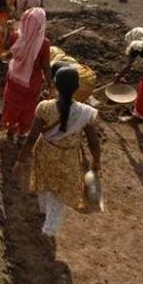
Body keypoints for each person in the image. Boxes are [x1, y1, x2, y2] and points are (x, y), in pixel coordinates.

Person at [13, 67, 101, 237]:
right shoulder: (86, 112)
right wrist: (96, 160)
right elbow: (93, 141)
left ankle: (45, 210)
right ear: (77, 87)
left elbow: (31, 138)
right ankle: (50, 229)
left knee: (44, 183)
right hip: (68, 158)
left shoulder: (44, 107)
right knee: (59, 192)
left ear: (55, 85)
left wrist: (20, 160)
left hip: (45, 154)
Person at [0, 7, 52, 139]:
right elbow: (46, 66)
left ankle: (10, 131)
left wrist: (8, 31)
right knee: (28, 109)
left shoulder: (16, 36)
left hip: (14, 78)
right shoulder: (44, 43)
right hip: (31, 84)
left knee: (12, 105)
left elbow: (6, 47)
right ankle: (22, 132)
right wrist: (50, 83)